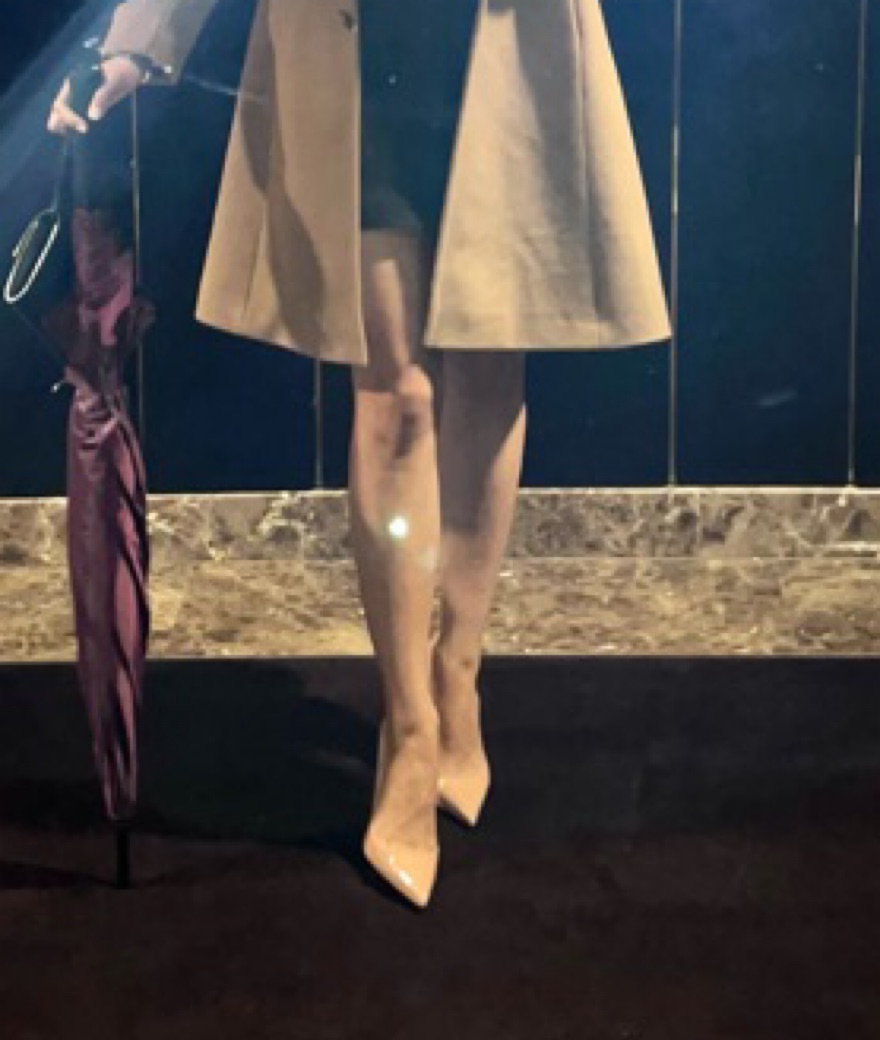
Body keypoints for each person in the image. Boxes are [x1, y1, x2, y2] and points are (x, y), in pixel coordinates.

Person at [48, 0, 672, 908]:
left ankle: (459, 673)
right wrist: (136, 46)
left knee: (490, 365)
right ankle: (410, 727)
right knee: (395, 396)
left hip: (507, 45)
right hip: (349, 46)